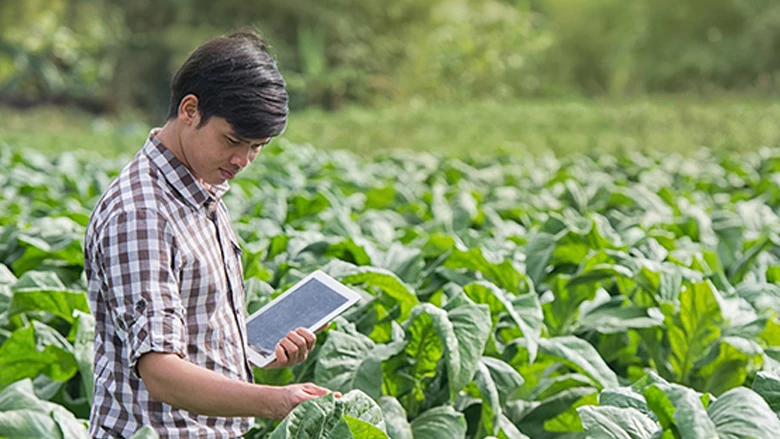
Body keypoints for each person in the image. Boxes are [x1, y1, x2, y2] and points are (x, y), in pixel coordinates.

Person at [84, 30, 335, 438]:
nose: (243, 160)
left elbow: (193, 332)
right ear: (189, 110)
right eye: (233, 141)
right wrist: (276, 400)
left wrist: (253, 352)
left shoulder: (200, 187)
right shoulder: (143, 214)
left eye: (258, 146)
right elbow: (161, 372)